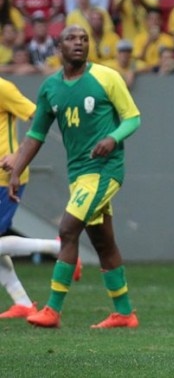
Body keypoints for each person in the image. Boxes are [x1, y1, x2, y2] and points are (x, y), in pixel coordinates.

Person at [4, 25, 142, 329]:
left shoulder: (106, 77)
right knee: (104, 242)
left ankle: (52, 310)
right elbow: (36, 133)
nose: (79, 43)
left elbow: (133, 117)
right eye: (71, 39)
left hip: (105, 170)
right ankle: (124, 313)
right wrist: (17, 171)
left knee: (67, 230)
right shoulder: (51, 88)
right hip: (79, 174)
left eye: (84, 39)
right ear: (59, 48)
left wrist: (113, 139)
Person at [0, 77, 71, 319]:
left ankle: (63, 248)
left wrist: (18, 154)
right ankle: (22, 303)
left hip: (4, 177)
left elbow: (39, 116)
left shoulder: (3, 88)